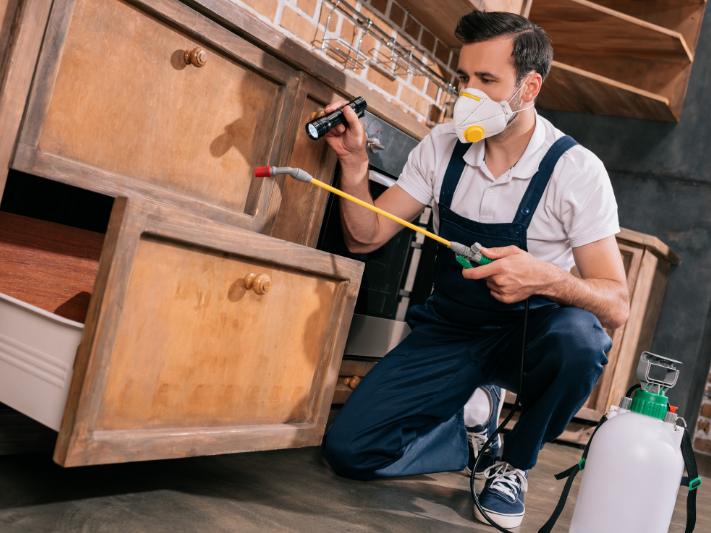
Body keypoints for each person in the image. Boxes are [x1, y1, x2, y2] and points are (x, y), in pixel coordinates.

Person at [321, 11, 629, 529]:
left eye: (487, 81)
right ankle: (466, 433)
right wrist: (353, 166)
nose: (468, 94)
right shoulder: (442, 146)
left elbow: (616, 304)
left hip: (528, 335)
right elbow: (365, 235)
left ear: (529, 87)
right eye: (464, 78)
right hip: (449, 332)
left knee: (583, 340)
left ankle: (513, 461)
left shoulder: (575, 171)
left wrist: (548, 277)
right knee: (349, 452)